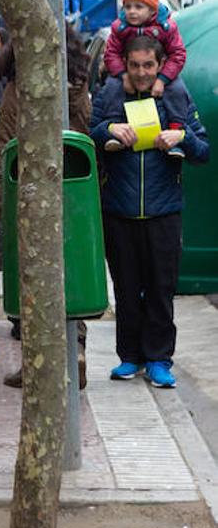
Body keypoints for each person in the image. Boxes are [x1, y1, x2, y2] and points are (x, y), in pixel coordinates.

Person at [90, 35, 209, 388]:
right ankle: (129, 357)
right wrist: (109, 129)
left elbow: (203, 151)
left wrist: (182, 137)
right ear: (124, 63)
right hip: (119, 211)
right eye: (135, 65)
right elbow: (89, 135)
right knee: (126, 289)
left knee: (160, 289)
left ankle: (159, 359)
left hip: (164, 211)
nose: (141, 73)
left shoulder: (175, 94)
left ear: (160, 66)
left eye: (148, 66)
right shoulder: (110, 93)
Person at [0, 32, 92, 387]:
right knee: (71, 275)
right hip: (76, 195)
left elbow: (4, 150)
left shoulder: (18, 90)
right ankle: (76, 349)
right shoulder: (79, 89)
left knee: (33, 280)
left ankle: (39, 364)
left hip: (28, 195)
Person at [101, 0, 189, 152]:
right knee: (112, 87)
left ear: (152, 10)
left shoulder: (166, 28)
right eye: (128, 6)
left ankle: (174, 131)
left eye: (138, 7)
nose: (132, 12)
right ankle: (116, 130)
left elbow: (178, 54)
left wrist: (162, 79)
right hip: (124, 75)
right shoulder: (120, 28)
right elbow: (110, 53)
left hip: (164, 75)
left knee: (177, 89)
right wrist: (123, 75)